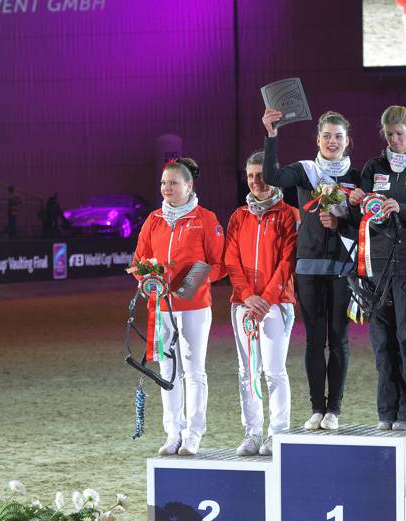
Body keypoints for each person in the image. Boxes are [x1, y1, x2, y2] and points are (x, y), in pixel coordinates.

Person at [261, 109, 361, 431]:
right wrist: (272, 136)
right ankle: (317, 408)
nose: (332, 141)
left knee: (339, 339)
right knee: (315, 340)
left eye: (338, 136)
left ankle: (335, 409)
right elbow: (273, 177)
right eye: (327, 136)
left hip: (344, 268)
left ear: (348, 142)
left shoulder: (358, 178)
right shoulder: (307, 172)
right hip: (309, 268)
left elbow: (367, 225)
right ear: (317, 139)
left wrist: (342, 221)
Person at [349, 105, 406, 431]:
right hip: (376, 265)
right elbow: (362, 214)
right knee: (382, 341)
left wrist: (402, 207)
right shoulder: (374, 167)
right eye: (389, 135)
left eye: (400, 134)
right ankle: (387, 411)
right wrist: (358, 200)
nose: (395, 140)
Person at [133, 157, 226, 457]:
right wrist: (147, 277)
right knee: (167, 371)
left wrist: (193, 284)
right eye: (163, 183)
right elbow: (139, 262)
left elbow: (218, 264)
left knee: (194, 371)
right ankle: (173, 432)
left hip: (195, 306)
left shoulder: (206, 219)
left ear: (189, 185)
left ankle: (193, 435)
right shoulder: (153, 220)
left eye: (173, 183)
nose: (167, 188)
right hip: (161, 308)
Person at [225, 151, 297, 457]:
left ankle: (277, 433)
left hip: (276, 304)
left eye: (261, 175)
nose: (256, 181)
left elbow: (287, 262)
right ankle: (252, 433)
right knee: (247, 370)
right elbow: (231, 260)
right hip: (243, 305)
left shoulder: (288, 215)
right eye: (251, 175)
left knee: (273, 371)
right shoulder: (239, 217)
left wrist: (265, 300)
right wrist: (246, 296)